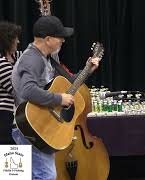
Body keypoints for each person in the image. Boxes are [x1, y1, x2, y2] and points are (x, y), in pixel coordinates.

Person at [11, 15, 101, 180]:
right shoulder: (32, 59)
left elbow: (70, 83)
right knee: (46, 175)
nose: (63, 41)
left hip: (40, 127)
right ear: (48, 39)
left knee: (36, 175)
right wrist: (59, 99)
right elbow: (28, 90)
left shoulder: (47, 58)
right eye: (60, 37)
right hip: (31, 126)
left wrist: (88, 69)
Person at [0, 21, 21, 144]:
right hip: (5, 120)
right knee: (14, 161)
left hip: (12, 120)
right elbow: (18, 90)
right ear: (7, 40)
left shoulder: (14, 57)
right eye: (15, 38)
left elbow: (34, 55)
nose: (18, 41)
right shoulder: (1, 64)